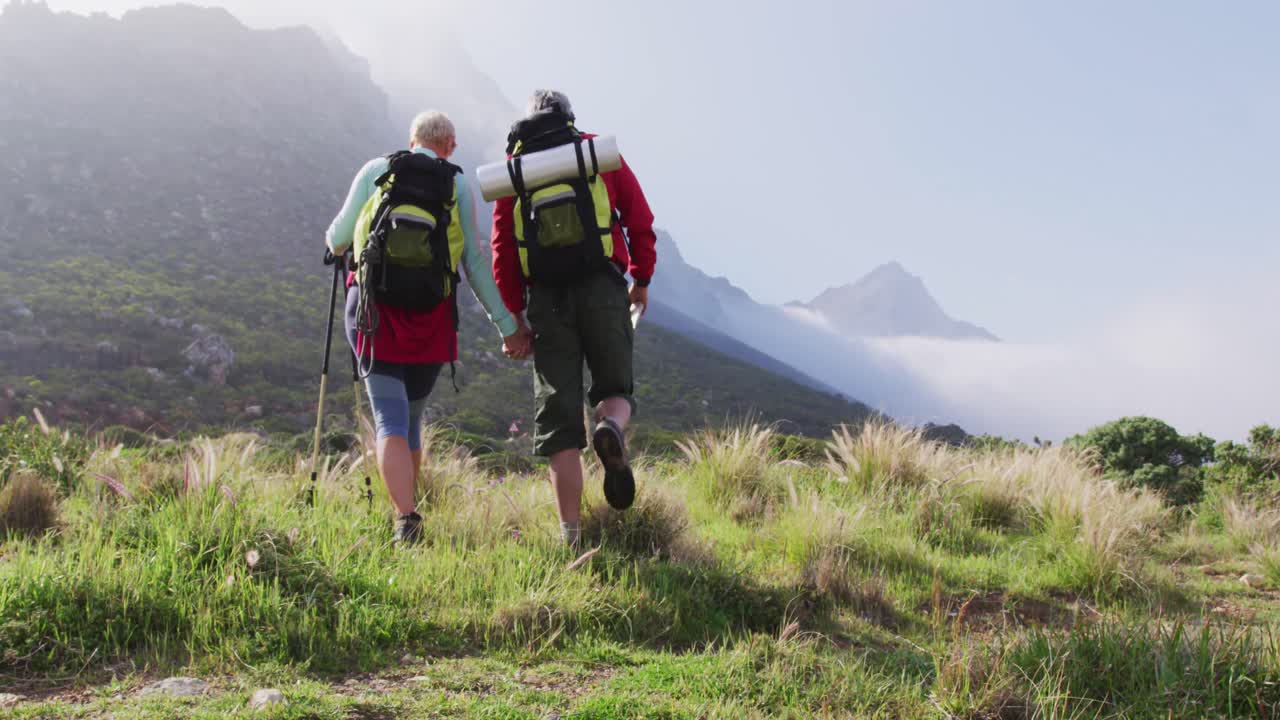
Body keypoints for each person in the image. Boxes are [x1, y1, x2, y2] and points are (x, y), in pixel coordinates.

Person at [327, 110, 532, 544]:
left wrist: (336, 245)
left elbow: (339, 236)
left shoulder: (376, 170)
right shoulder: (456, 184)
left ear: (412, 138)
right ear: (450, 145)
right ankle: (408, 510)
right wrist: (507, 325)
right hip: (430, 319)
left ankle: (405, 517)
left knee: (390, 419)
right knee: (412, 420)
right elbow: (473, 264)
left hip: (372, 313)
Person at [491, 90, 657, 546]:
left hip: (547, 300)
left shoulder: (517, 172)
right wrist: (640, 278)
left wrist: (516, 316)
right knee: (614, 389)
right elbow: (639, 219)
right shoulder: (596, 154)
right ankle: (611, 428)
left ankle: (571, 538)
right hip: (603, 287)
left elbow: (503, 251)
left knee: (560, 421)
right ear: (569, 117)